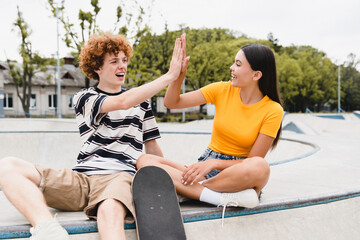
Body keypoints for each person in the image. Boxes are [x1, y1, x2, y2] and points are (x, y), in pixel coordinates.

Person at [0, 32, 184, 240]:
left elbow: (152, 149)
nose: (122, 66)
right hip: (82, 179)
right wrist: (169, 76)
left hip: (119, 177)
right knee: (7, 166)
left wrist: (167, 182)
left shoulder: (142, 104)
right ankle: (48, 230)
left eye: (124, 60)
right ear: (97, 68)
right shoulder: (86, 97)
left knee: (109, 210)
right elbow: (122, 102)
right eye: (114, 62)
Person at [137, 35, 284, 214]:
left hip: (236, 174)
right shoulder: (221, 90)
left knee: (261, 167)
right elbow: (172, 103)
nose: (231, 68)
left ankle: (189, 190)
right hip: (206, 168)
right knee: (145, 161)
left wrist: (215, 163)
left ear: (256, 74)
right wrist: (178, 75)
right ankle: (212, 196)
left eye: (238, 64)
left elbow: (252, 161)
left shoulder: (273, 110)